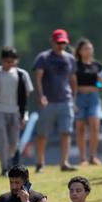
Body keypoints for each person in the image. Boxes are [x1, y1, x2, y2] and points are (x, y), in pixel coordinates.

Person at [0, 46, 34, 175]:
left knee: (13, 143)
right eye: (6, 61)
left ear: (16, 60)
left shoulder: (22, 75)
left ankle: (9, 161)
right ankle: (4, 167)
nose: (9, 64)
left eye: (12, 61)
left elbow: (24, 97)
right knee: (2, 141)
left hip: (15, 112)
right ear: (2, 60)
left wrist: (23, 115)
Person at [32, 29, 78, 173]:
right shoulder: (43, 58)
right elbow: (38, 78)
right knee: (42, 133)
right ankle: (40, 162)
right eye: (58, 42)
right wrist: (41, 96)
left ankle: (64, 162)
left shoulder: (70, 59)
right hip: (48, 101)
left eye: (63, 42)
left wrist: (73, 99)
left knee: (66, 132)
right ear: (52, 41)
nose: (60, 45)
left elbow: (73, 79)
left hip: (66, 100)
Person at [74, 38, 102, 166]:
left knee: (94, 126)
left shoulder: (97, 66)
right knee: (80, 128)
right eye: (85, 49)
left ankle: (93, 156)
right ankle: (83, 158)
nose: (88, 51)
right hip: (79, 97)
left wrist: (98, 81)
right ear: (80, 51)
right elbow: (73, 83)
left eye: (90, 49)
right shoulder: (76, 66)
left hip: (94, 97)